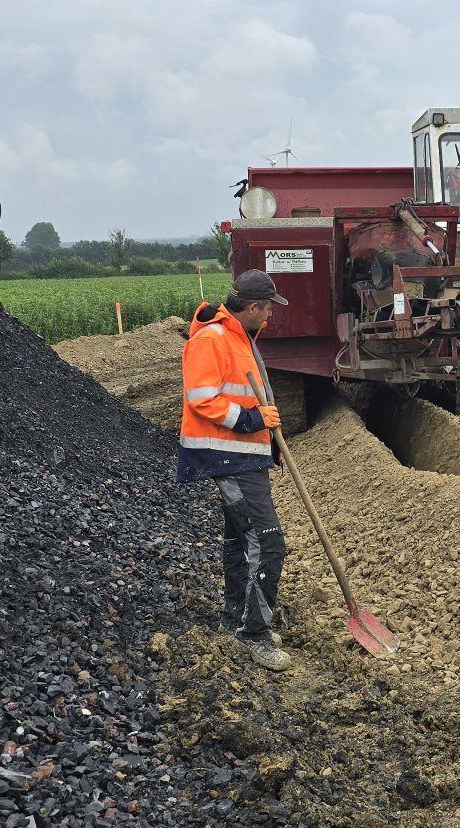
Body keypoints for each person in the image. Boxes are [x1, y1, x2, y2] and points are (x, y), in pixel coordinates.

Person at [178, 269, 293, 671]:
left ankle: (237, 617)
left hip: (244, 455)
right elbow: (201, 398)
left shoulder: (239, 336)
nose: (270, 318)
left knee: (240, 541)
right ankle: (255, 635)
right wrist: (252, 420)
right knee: (267, 541)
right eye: (267, 310)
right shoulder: (212, 340)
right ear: (252, 306)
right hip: (227, 455)